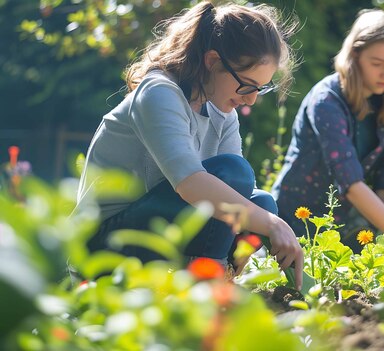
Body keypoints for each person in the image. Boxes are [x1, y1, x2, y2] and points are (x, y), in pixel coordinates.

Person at [75, 1, 303, 289]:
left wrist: (267, 222)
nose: (251, 99)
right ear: (212, 61)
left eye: (260, 88)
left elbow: (237, 194)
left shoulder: (222, 112)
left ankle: (222, 277)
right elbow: (191, 184)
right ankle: (208, 285)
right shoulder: (159, 92)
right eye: (245, 84)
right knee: (236, 175)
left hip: (160, 232)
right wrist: (272, 224)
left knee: (262, 202)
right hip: (104, 245)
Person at [271, 9, 384, 251]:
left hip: (340, 227)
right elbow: (350, 182)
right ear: (355, 56)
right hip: (293, 220)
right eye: (377, 63)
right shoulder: (326, 100)